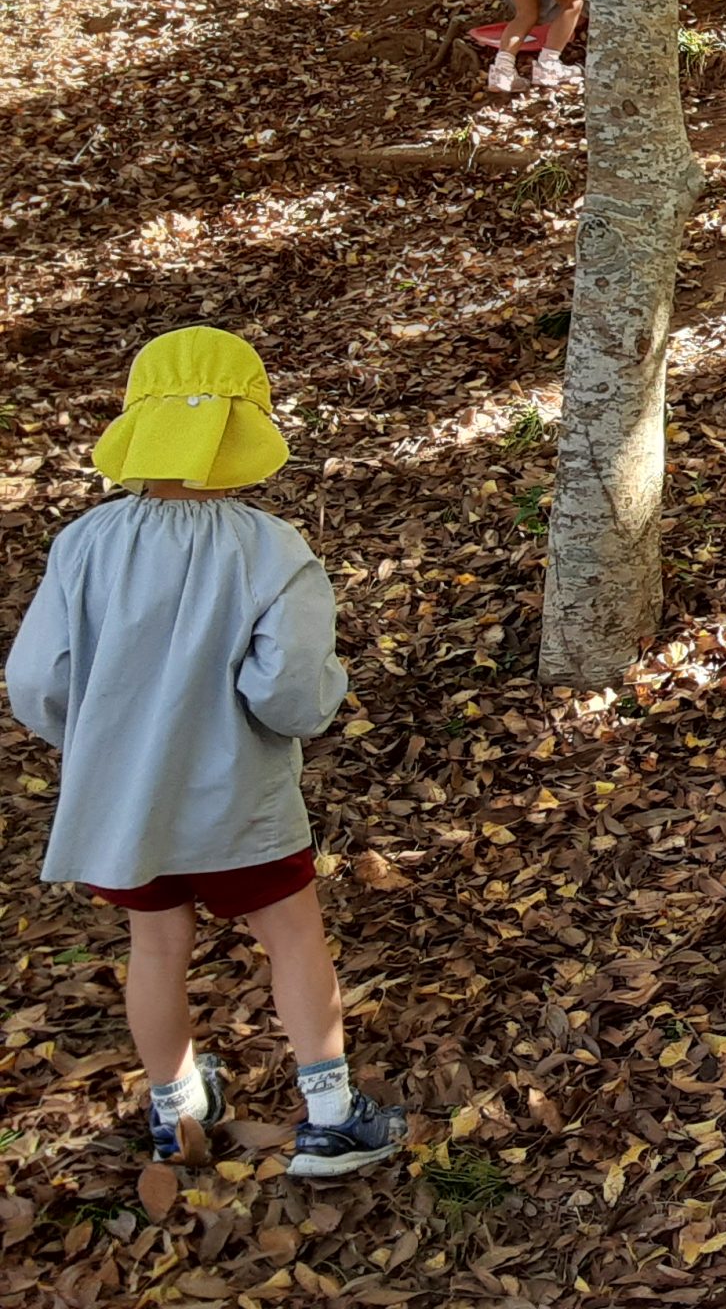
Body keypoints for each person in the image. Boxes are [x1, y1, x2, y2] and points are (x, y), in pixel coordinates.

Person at [4, 327, 408, 1179]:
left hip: (127, 805)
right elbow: (289, 692)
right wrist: (318, 704)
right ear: (244, 430)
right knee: (294, 938)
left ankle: (176, 1105)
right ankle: (331, 1119)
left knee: (153, 948)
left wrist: (95, 745)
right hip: (241, 801)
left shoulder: (85, 543)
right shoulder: (269, 549)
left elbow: (39, 677)